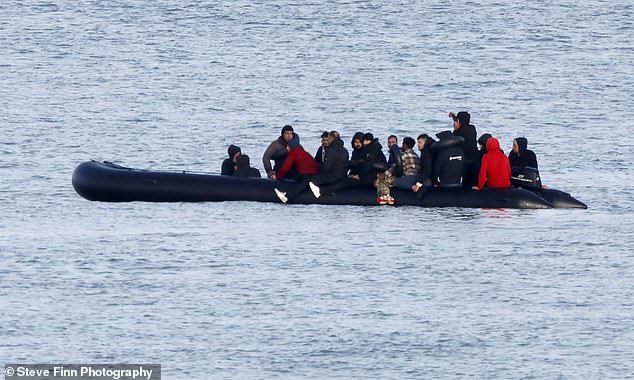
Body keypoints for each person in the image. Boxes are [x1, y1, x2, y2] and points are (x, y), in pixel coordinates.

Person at [274, 131, 349, 203]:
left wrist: (318, 171)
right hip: (338, 176)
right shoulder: (344, 150)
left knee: (308, 181)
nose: (326, 141)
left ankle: (288, 196)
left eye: (327, 139)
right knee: (308, 179)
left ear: (331, 139)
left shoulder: (331, 150)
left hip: (330, 176)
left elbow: (327, 167)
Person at [311, 132, 387, 197]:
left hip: (372, 177)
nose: (360, 144)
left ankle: (322, 191)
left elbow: (368, 166)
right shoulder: (371, 150)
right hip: (369, 175)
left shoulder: (372, 152)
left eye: (362, 141)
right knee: (347, 179)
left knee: (345, 182)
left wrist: (359, 176)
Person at [376, 137, 421, 204]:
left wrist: (383, 175)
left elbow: (395, 166)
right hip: (416, 178)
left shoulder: (403, 155)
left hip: (407, 177)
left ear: (405, 145)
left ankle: (386, 196)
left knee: (383, 181)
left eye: (403, 143)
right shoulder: (416, 155)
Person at [449, 111, 478, 187]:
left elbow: (456, 133)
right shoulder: (472, 129)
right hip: (475, 158)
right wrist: (454, 117)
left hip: (464, 160)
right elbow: (463, 123)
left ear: (459, 122)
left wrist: (455, 128)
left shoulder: (457, 133)